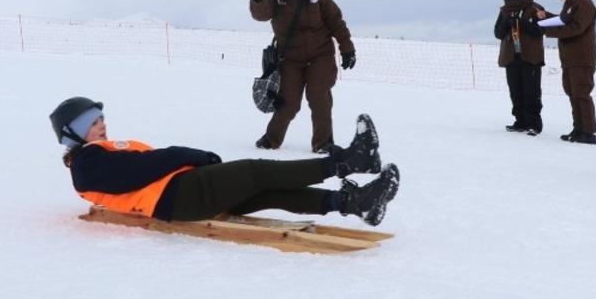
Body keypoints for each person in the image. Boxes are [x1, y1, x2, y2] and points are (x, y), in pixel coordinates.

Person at [49, 97, 400, 227]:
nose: (103, 124)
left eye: (100, 119)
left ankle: (354, 203)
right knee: (254, 171)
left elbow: (146, 165)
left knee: (267, 191)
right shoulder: (86, 166)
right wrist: (189, 156)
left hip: (182, 191)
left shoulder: (99, 153)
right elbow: (139, 171)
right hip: (176, 197)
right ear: (76, 132)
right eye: (94, 122)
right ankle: (349, 162)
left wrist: (191, 162)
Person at [250, 0, 355, 153]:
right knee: (288, 103)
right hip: (290, 59)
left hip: (320, 54)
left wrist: (347, 48)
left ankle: (323, 144)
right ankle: (271, 139)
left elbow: (335, 20)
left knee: (319, 96)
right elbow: (260, 15)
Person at [537, 0, 596, 144]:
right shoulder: (571, 3)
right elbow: (564, 20)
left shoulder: (584, 4)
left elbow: (576, 28)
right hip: (569, 57)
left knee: (581, 92)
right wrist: (546, 17)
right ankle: (578, 128)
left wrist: (547, 31)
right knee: (572, 92)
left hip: (582, 57)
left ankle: (588, 132)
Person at [494, 0, 545, 135]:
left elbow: (540, 30)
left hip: (530, 57)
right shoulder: (504, 10)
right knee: (515, 91)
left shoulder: (536, 9)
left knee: (531, 92)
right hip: (511, 56)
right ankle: (520, 121)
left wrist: (523, 24)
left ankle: (534, 124)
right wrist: (506, 23)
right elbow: (497, 33)